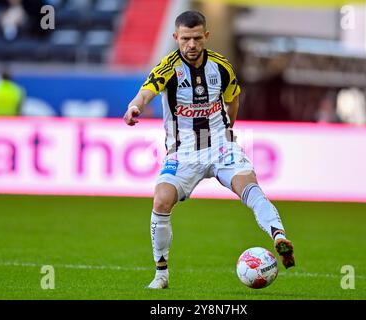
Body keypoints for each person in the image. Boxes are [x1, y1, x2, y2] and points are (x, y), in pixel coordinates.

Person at [123, 11, 295, 289]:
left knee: (249, 187)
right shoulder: (167, 68)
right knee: (160, 201)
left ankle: (278, 236)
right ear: (176, 37)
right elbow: (146, 93)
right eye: (185, 39)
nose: (191, 45)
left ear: (206, 36)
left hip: (220, 146)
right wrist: (135, 107)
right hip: (184, 152)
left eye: (196, 38)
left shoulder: (221, 66)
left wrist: (227, 132)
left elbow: (233, 98)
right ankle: (161, 273)